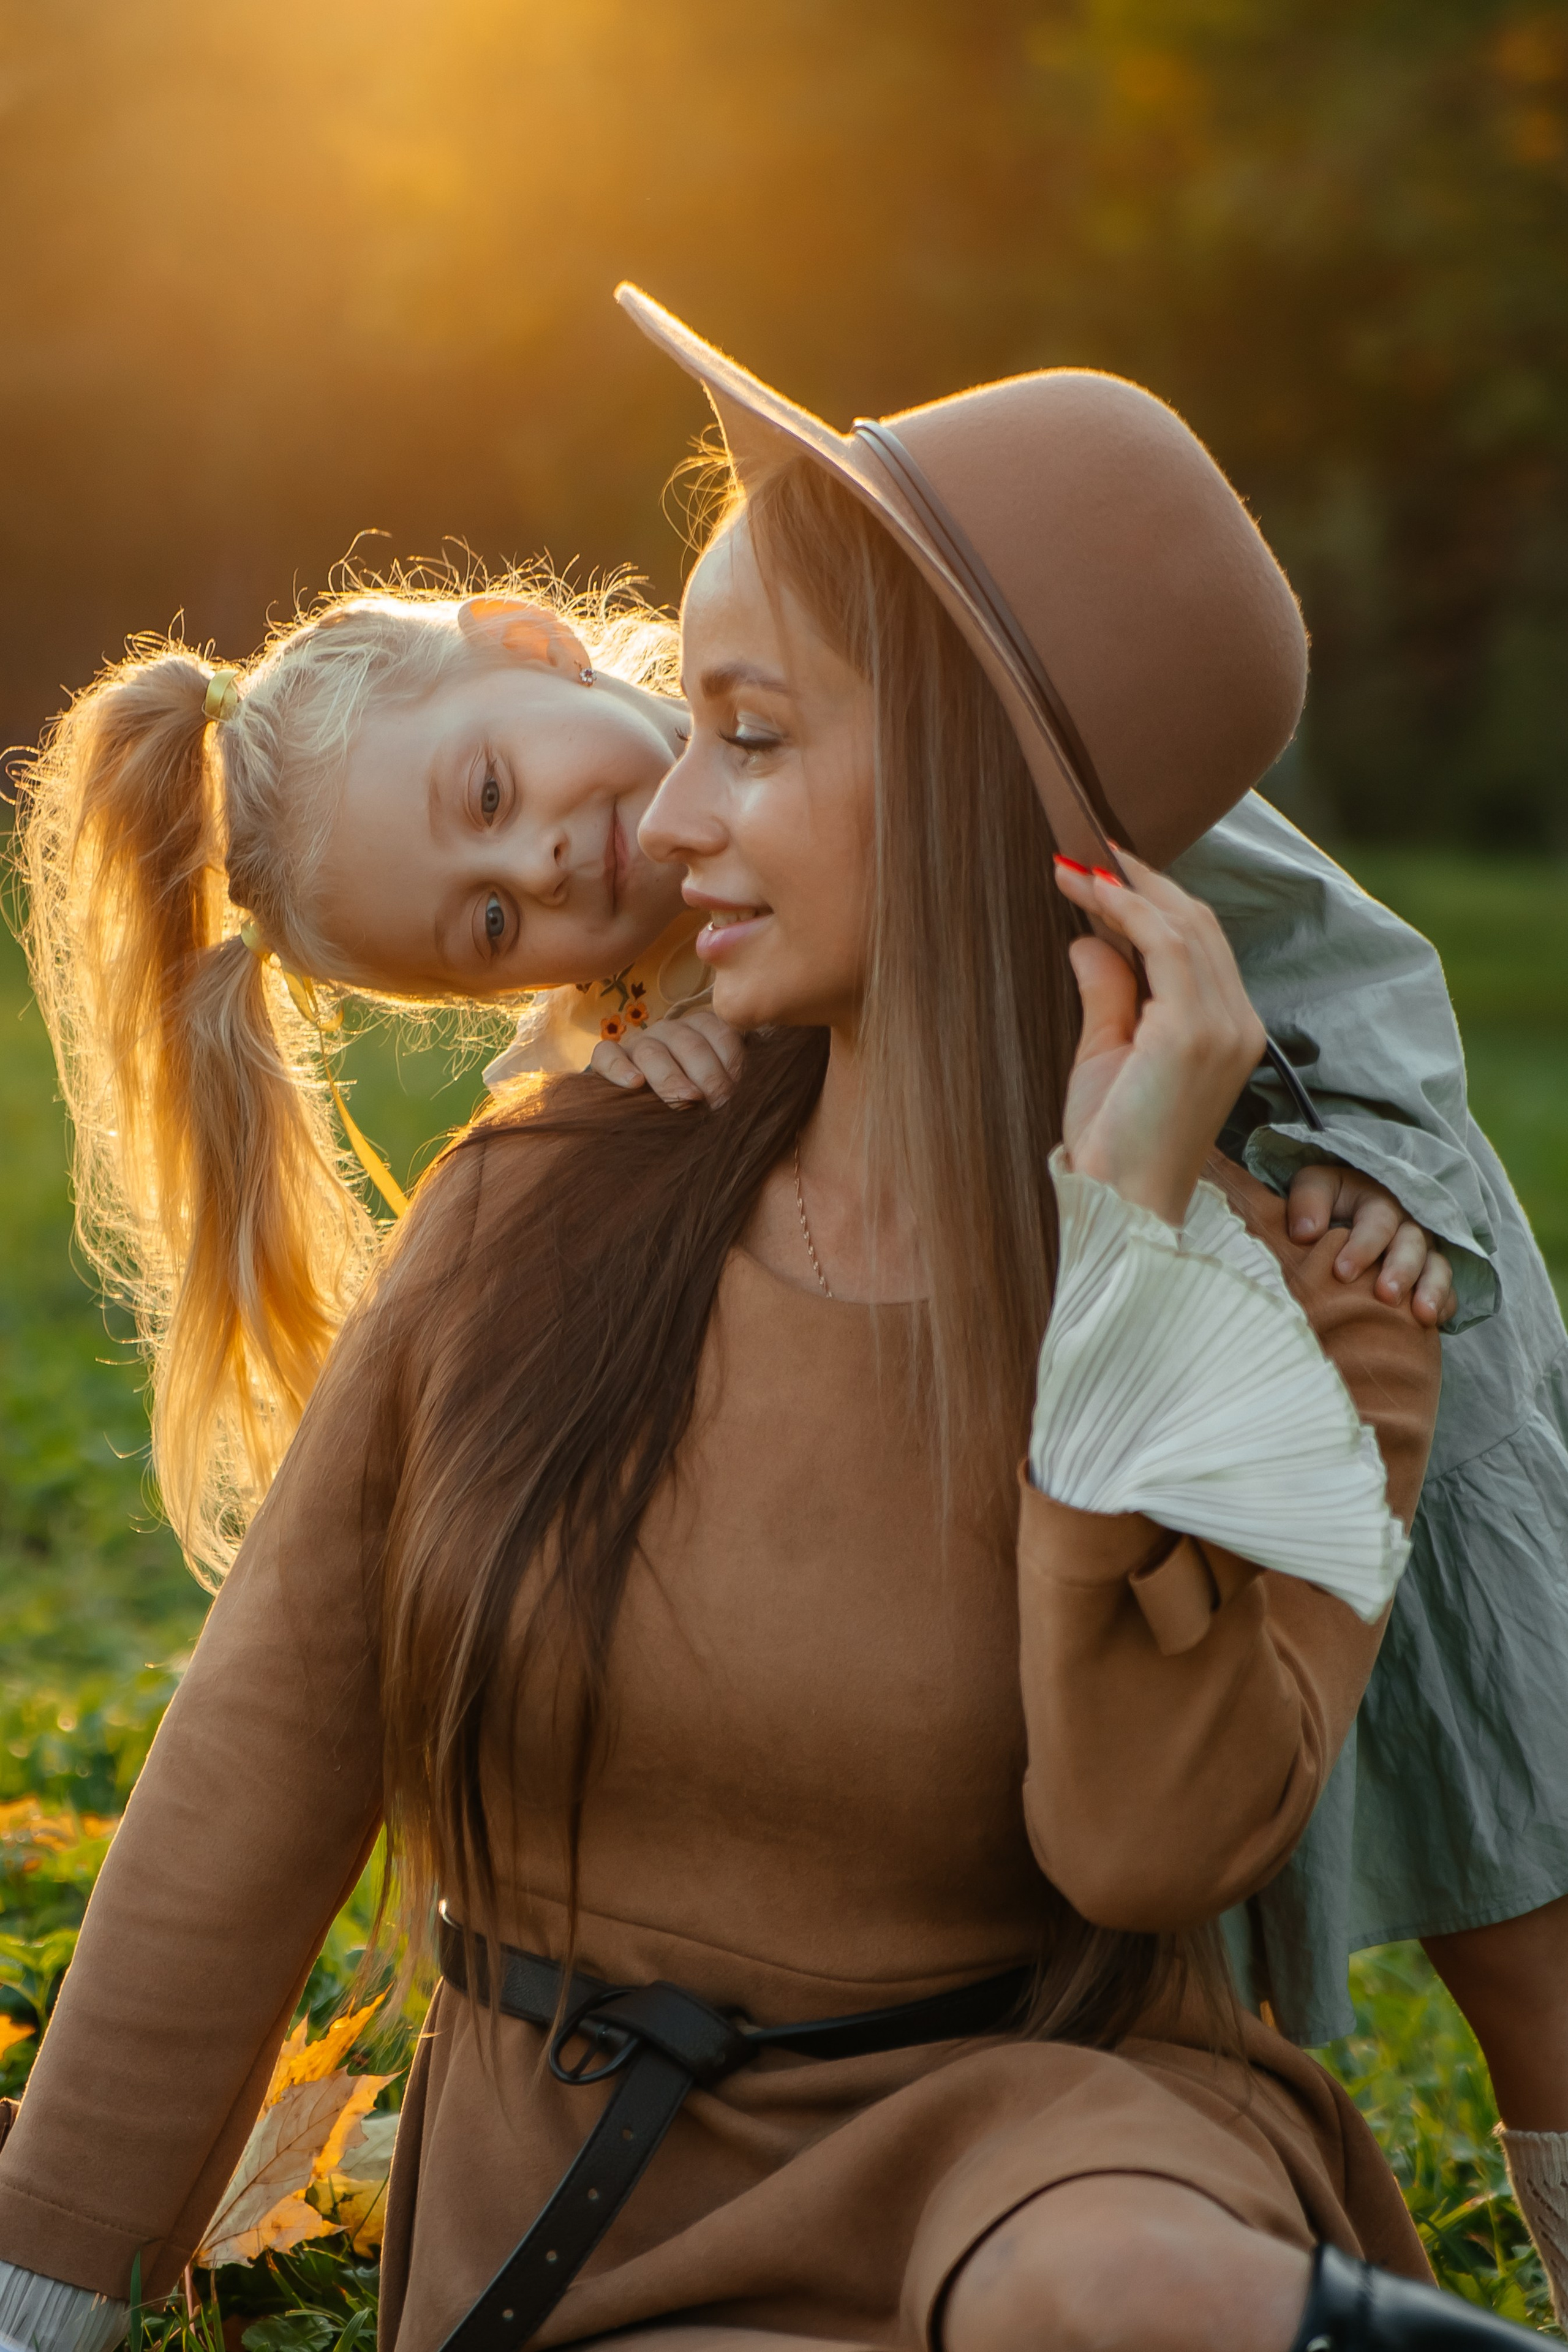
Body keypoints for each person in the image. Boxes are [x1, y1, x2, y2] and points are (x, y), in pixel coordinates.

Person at [10, 328, 1568, 2311]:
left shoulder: (1295, 1240)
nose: (610, 852)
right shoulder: (567, 1171)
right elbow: (259, 1760)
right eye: (496, 936)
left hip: (1332, 1179)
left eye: (509, 793)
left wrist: (1265, 1211)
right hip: (624, 2170)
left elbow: (1349, 973)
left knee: (1514, 1835)